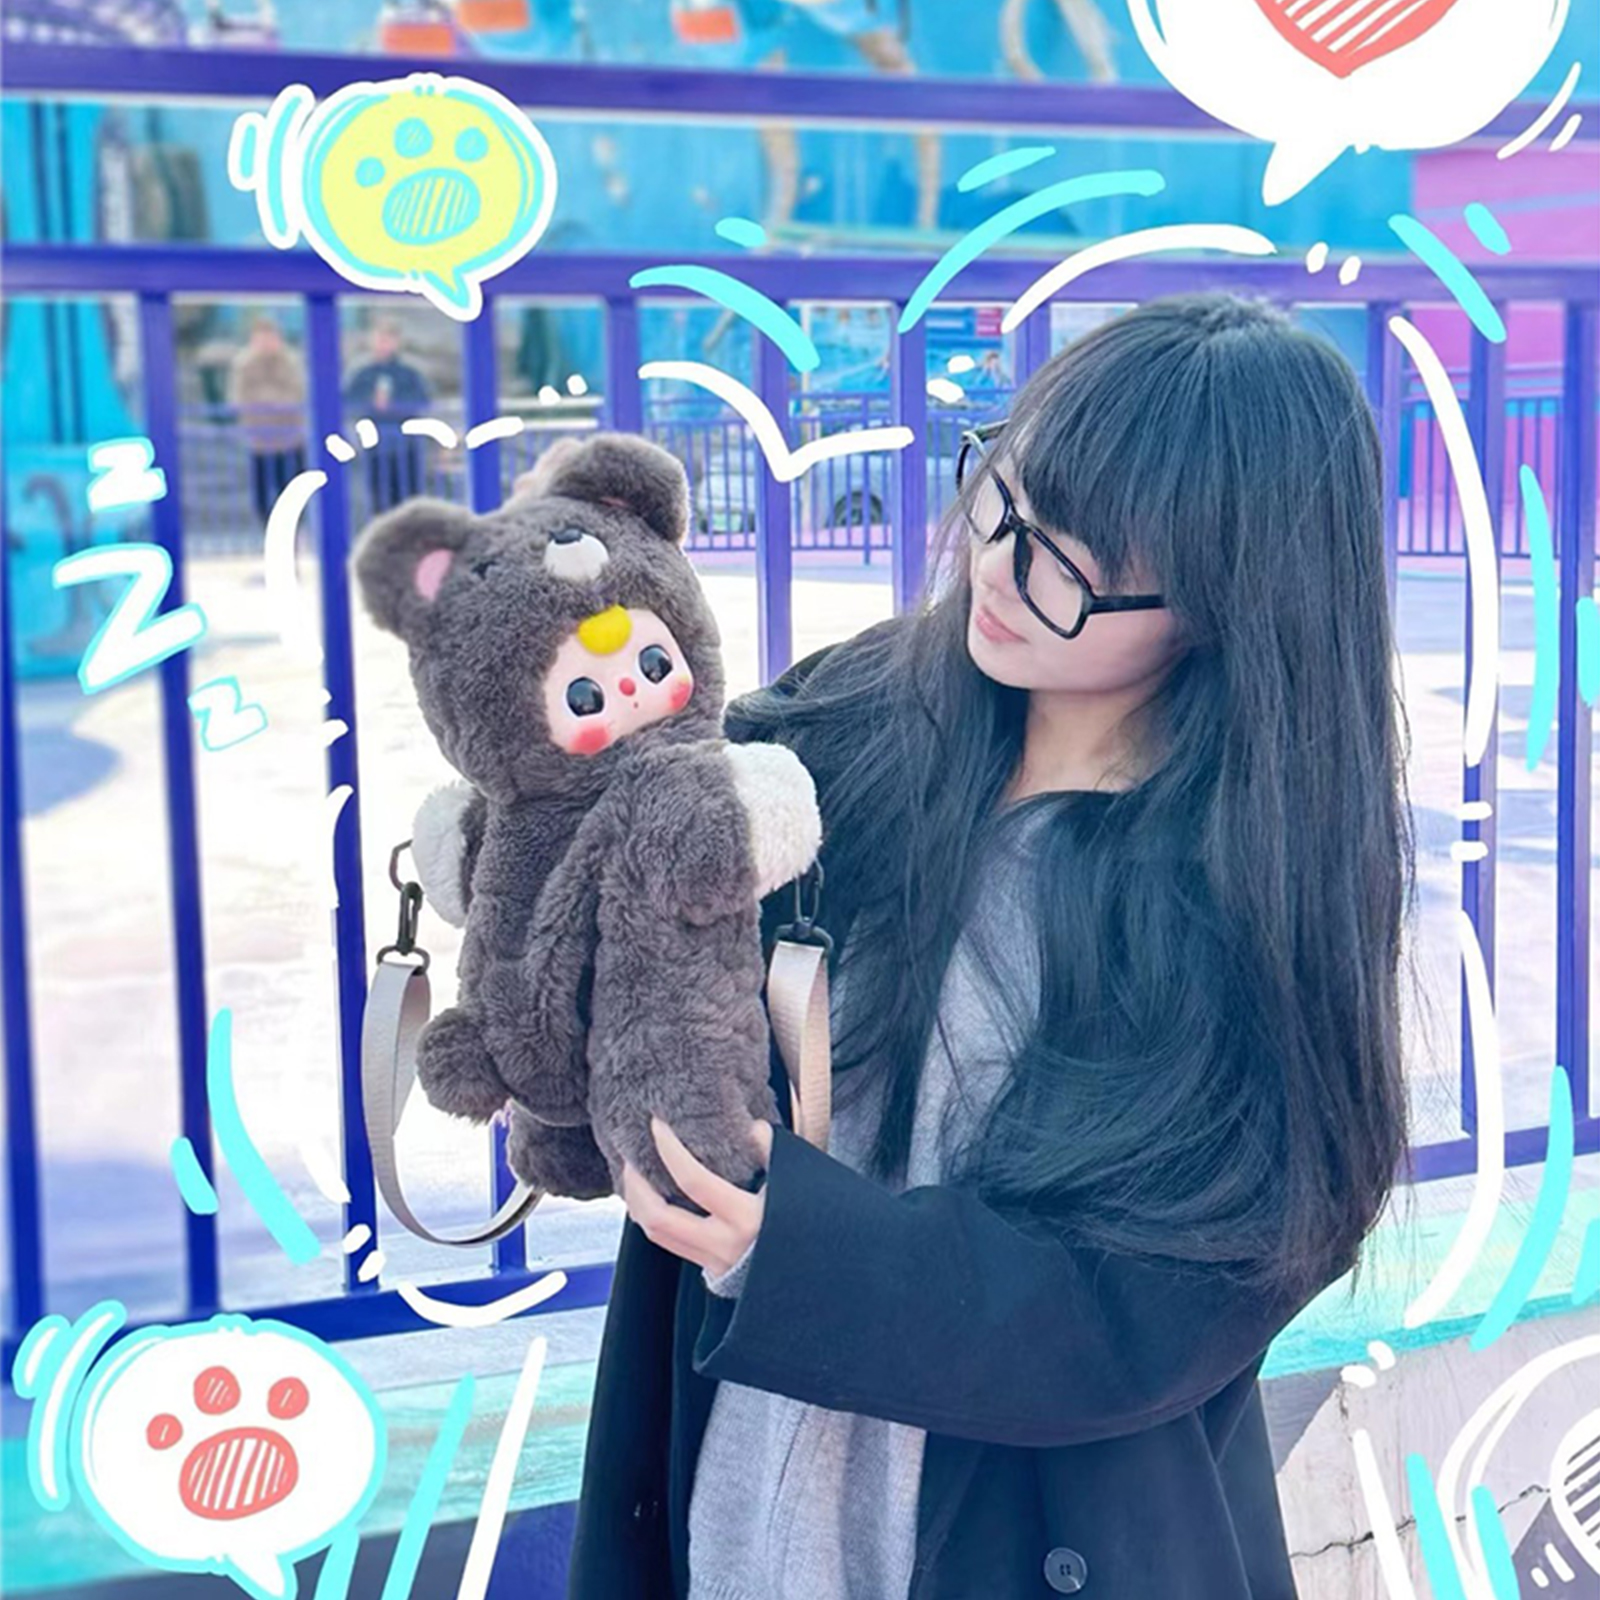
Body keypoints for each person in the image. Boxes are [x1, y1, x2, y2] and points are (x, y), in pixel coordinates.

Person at [563, 293, 1420, 1599]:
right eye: (1003, 501)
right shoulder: (852, 719)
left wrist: (793, 1250)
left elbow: (1158, 1305)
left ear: (1229, 602)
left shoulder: (1248, 893)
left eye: (1073, 562)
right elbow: (651, 922)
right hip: (728, 1505)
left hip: (1016, 1539)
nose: (1004, 571)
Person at [342, 317, 431, 514]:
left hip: (406, 446)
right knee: (379, 499)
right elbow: (349, 402)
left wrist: (393, 405)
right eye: (380, 338)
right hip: (374, 447)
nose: (384, 344)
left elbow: (422, 400)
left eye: (389, 339)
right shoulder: (361, 373)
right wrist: (371, 404)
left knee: (409, 499)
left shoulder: (409, 373)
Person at [227, 315, 306, 524]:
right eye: (261, 338)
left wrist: (266, 401)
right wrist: (272, 402)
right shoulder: (244, 364)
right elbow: (238, 400)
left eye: (270, 337)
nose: (266, 343)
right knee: (261, 497)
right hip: (259, 441)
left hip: (290, 440)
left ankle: (295, 531)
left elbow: (297, 396)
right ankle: (268, 531)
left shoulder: (291, 362)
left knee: (293, 493)